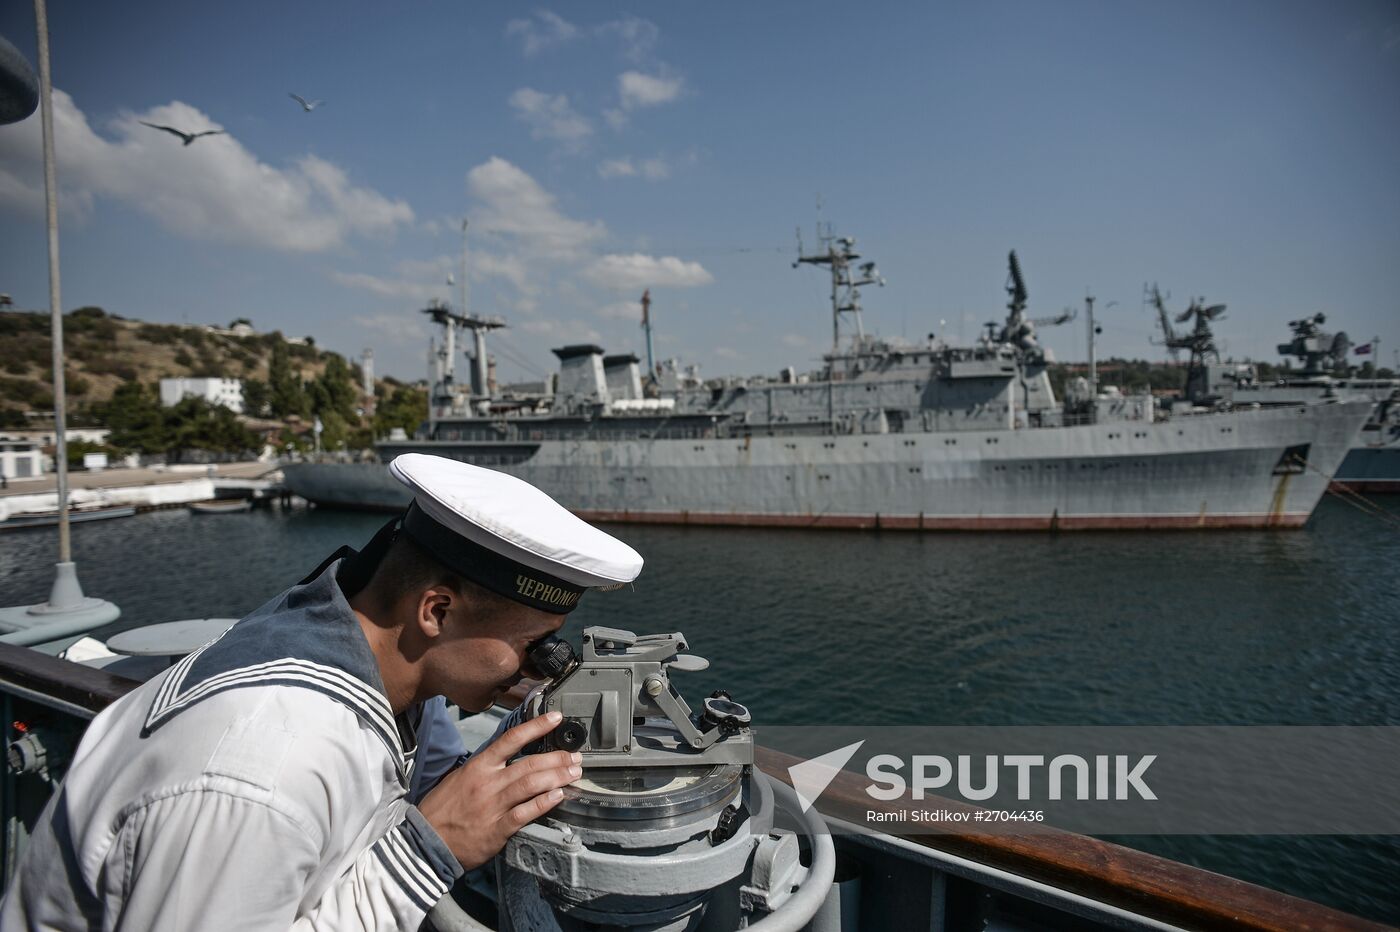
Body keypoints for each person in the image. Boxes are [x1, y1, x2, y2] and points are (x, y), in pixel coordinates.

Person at [0, 452, 644, 930]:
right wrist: (428, 850)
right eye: (534, 643)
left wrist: (495, 671)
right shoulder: (264, 771)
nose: (542, 665)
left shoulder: (328, 639)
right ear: (437, 613)